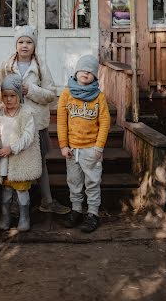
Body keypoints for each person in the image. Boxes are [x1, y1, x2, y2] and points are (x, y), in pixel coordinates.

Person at [0, 25, 70, 215]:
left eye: (29, 42)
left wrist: (31, 90)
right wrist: (6, 93)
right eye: (21, 42)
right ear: (16, 45)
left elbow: (51, 94)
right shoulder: (6, 65)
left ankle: (47, 200)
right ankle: (14, 204)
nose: (24, 46)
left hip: (36, 123)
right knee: (13, 160)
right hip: (14, 122)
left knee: (39, 162)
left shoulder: (40, 67)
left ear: (34, 45)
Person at [0, 74, 42, 231]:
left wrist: (12, 148)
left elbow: (28, 137)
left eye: (13, 95)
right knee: (6, 191)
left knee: (21, 190)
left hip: (20, 159)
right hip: (3, 161)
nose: (9, 99)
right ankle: (6, 217)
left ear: (19, 95)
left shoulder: (26, 113)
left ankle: (24, 217)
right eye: (5, 96)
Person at [57, 54, 111, 233]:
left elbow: (104, 122)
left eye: (90, 71)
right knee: (74, 181)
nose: (86, 73)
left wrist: (99, 146)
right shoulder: (66, 93)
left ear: (95, 76)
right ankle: (76, 210)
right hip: (72, 149)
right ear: (76, 71)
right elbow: (61, 121)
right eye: (83, 69)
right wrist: (63, 145)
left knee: (92, 182)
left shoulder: (99, 97)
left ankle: (93, 213)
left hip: (91, 149)